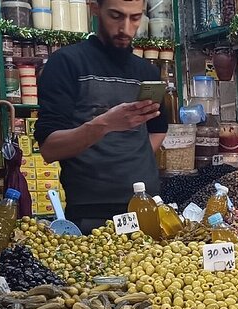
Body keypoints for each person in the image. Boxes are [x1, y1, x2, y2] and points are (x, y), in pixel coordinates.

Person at [34, 0, 168, 234]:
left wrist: (131, 156)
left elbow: (158, 128)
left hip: (147, 206)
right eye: (116, 16)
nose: (126, 28)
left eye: (135, 18)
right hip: (91, 213)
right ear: (94, 8)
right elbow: (49, 148)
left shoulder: (146, 72)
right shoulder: (66, 63)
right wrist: (105, 124)